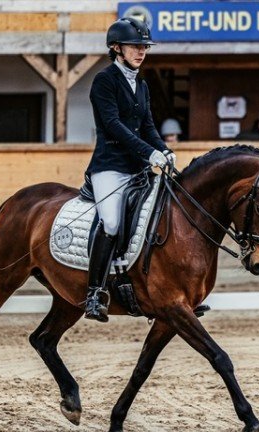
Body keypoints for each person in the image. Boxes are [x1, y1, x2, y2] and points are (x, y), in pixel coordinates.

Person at [83, 17, 174, 322]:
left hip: (139, 168)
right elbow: (113, 125)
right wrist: (149, 153)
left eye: (144, 46)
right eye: (136, 46)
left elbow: (147, 125)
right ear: (116, 48)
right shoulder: (104, 81)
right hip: (110, 166)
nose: (142, 51)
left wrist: (164, 150)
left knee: (164, 215)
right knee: (110, 222)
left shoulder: (143, 85)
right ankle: (94, 292)